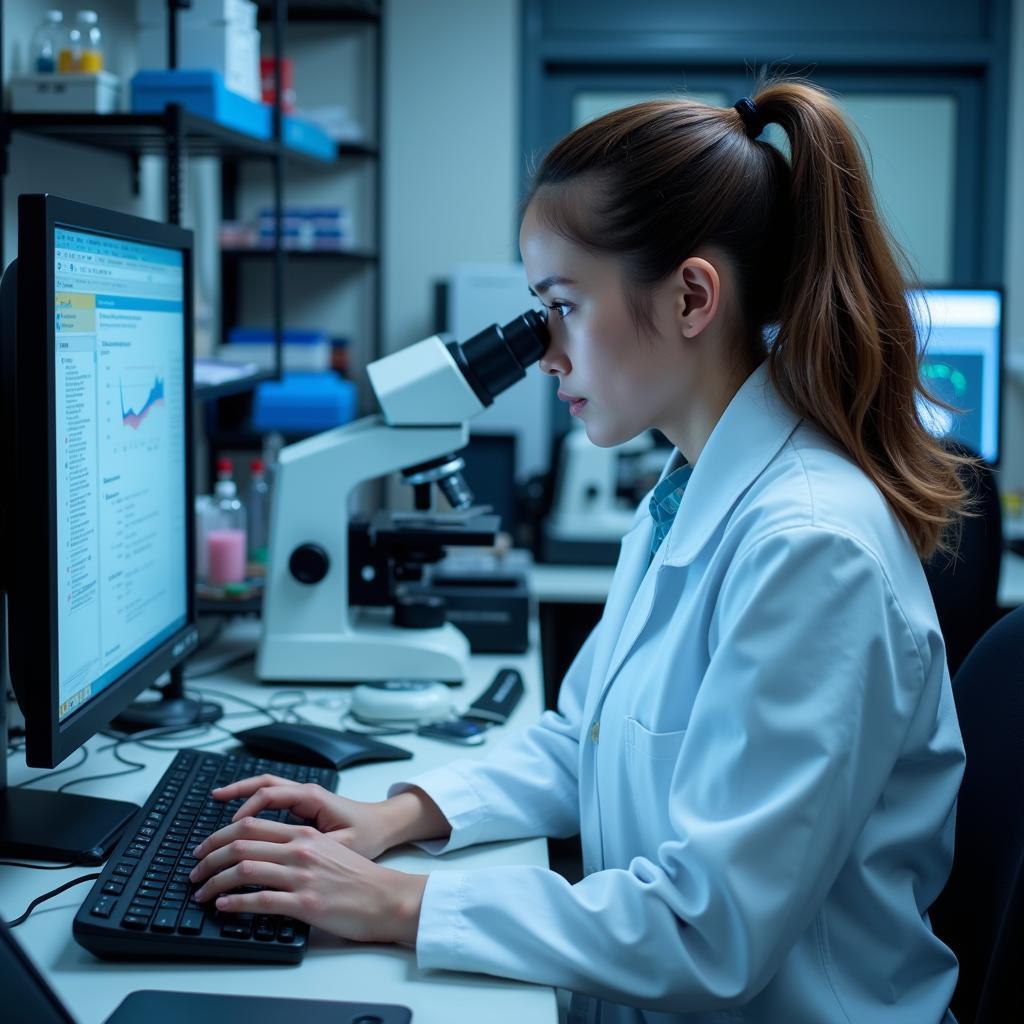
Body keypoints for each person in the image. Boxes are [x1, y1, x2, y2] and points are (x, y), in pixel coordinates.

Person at [190, 78, 968, 1023]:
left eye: (561, 305)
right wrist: (395, 818)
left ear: (690, 297)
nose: (547, 353)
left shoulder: (812, 550)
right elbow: (583, 740)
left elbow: (709, 930)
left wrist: (400, 903)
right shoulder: (684, 494)